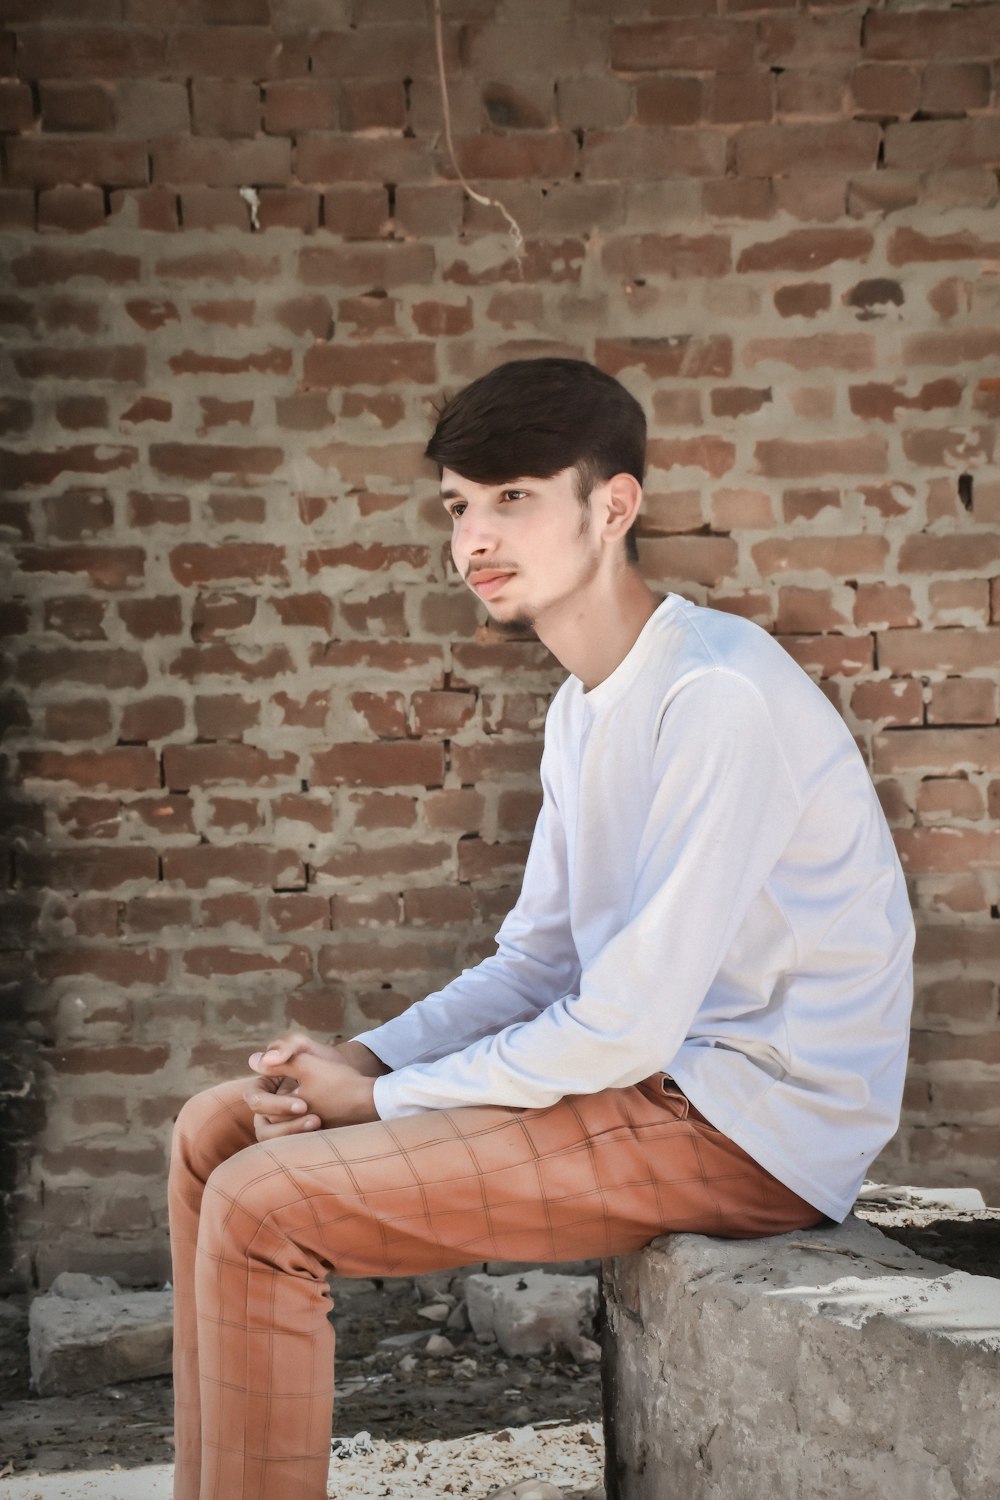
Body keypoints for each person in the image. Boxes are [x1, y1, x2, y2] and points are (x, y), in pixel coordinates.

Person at [168, 357, 914, 1500]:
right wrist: (366, 1057)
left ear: (612, 506)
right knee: (217, 1132)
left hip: (748, 1120)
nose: (473, 538)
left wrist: (376, 1102)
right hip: (651, 1084)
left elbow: (624, 1022)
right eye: (458, 506)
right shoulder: (583, 705)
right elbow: (541, 960)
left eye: (512, 496)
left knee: (272, 1205)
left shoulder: (714, 695)